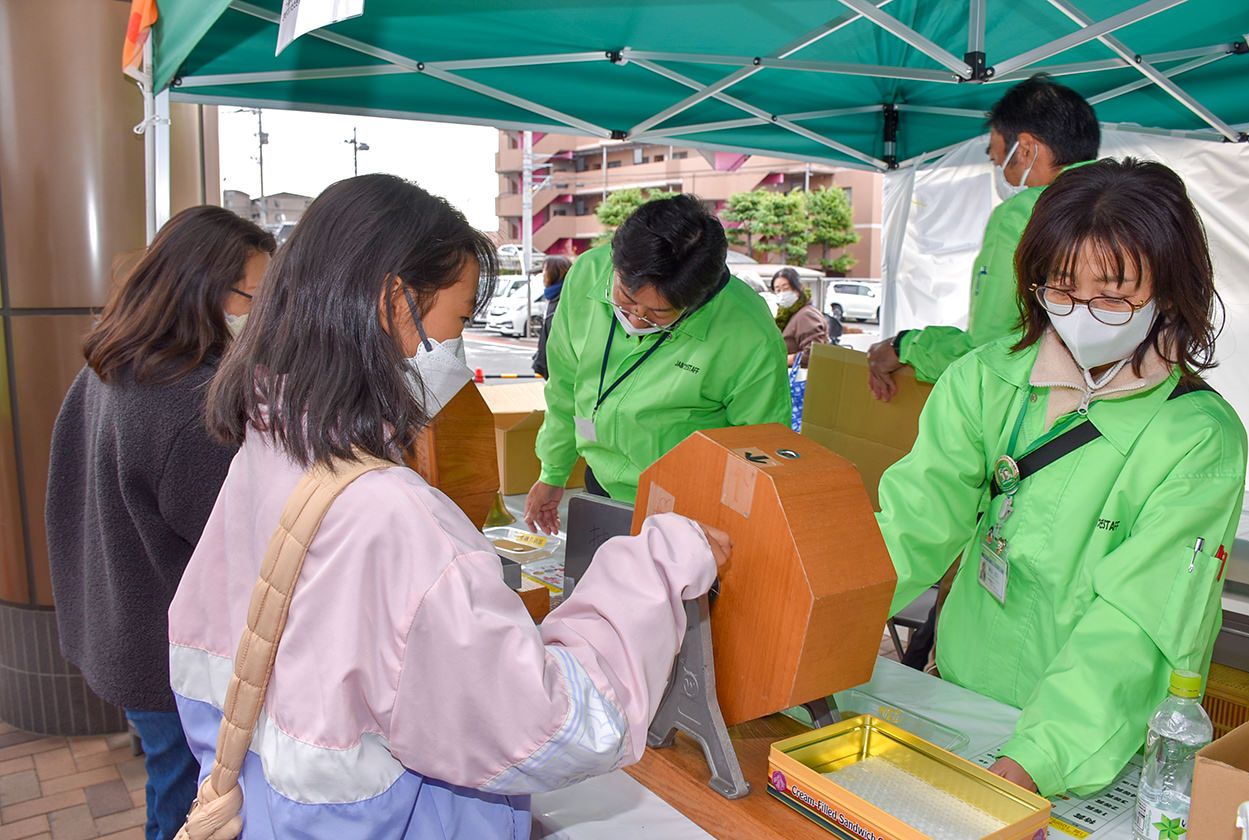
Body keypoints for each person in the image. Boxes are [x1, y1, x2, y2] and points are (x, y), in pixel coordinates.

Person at [168, 174, 731, 840]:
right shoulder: (391, 517)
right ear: (393, 303)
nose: (457, 354)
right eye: (459, 322)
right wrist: (658, 566)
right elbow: (556, 725)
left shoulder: (268, 449)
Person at [875, 159, 1247, 797]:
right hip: (962, 697)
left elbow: (1135, 626)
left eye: (1112, 296)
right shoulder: (985, 380)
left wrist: (1034, 762)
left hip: (1095, 743)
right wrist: (810, 617)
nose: (1080, 313)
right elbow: (909, 525)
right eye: (1062, 288)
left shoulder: (1198, 437)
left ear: (1170, 290)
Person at [45, 206, 273, 840]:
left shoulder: (114, 365)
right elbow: (236, 546)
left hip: (117, 626)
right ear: (207, 290)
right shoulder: (186, 405)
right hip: (169, 654)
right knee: (189, 805)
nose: (259, 313)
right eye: (256, 296)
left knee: (170, 785)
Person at [525, 194, 789, 531]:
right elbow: (564, 387)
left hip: (689, 511)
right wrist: (554, 471)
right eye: (625, 299)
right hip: (602, 485)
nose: (636, 320)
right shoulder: (587, 274)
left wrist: (730, 532)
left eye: (658, 314)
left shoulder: (749, 333)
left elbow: (758, 452)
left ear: (697, 301)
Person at [867, 74, 1099, 400]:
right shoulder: (1136, 202)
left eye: (997, 158)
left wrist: (905, 346)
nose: (1001, 172)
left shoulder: (1024, 215)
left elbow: (992, 350)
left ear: (1028, 149)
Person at [772, 267, 828, 367]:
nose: (782, 294)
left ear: (799, 288)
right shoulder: (788, 316)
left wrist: (787, 359)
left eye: (786, 288)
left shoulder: (806, 315)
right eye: (778, 290)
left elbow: (814, 354)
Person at [532, 255, 571, 378]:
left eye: (545, 269)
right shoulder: (553, 297)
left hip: (560, 370)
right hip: (553, 367)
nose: (543, 274)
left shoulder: (563, 300)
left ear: (555, 273)